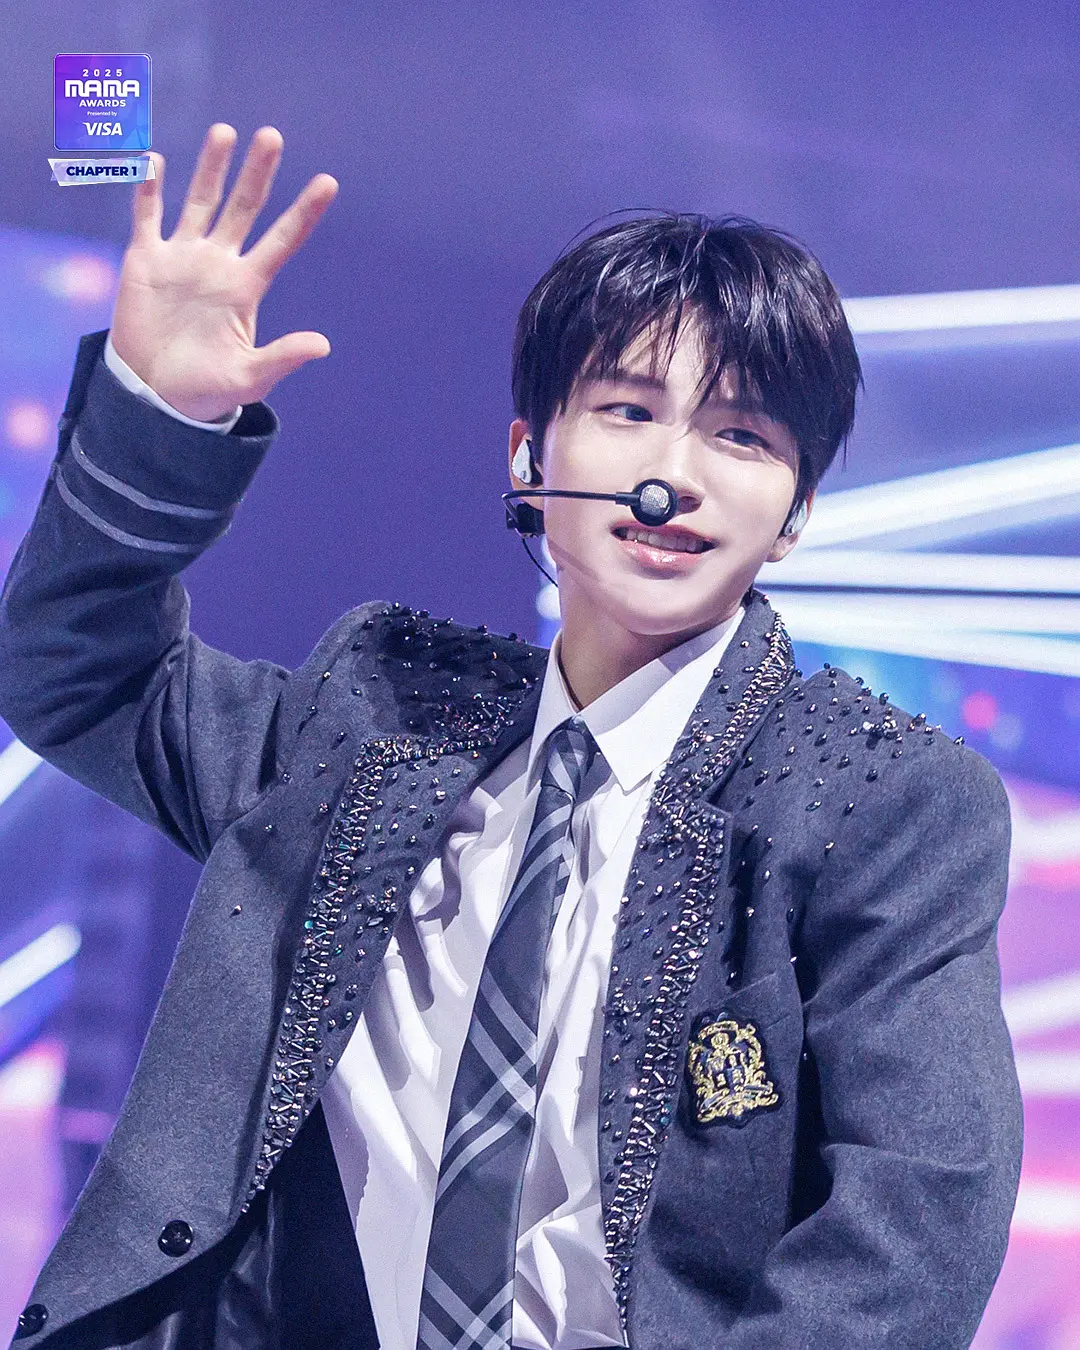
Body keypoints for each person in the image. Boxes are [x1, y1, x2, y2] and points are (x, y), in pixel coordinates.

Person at [0, 124, 1021, 1350]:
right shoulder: (373, 721)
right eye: (629, 410)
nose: (675, 474)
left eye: (742, 436)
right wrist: (155, 414)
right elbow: (71, 669)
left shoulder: (882, 804)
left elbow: (916, 1221)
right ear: (532, 457)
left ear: (794, 513)